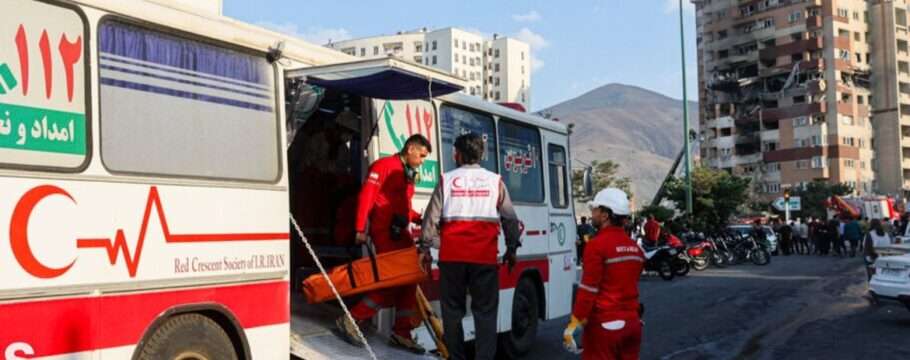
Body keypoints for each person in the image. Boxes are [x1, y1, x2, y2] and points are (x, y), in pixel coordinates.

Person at [420, 133, 521, 360]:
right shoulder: (495, 181)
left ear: (459, 154)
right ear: (481, 154)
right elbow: (510, 219)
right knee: (485, 314)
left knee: (452, 312)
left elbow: (431, 219)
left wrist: (424, 248)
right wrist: (512, 249)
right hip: (484, 259)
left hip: (452, 258)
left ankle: (456, 357)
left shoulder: (447, 180)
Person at [335, 134, 432, 353]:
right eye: (422, 156)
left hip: (400, 234)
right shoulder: (384, 166)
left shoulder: (404, 172)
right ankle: (351, 319)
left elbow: (401, 205)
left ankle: (402, 333)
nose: (422, 161)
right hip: (386, 233)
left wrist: (420, 218)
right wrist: (360, 228)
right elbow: (367, 197)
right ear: (411, 149)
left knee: (409, 282)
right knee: (390, 283)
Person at [564, 188, 645, 360]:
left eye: (595, 210)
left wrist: (573, 324)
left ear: (605, 215)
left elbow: (588, 291)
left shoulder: (596, 246)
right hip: (633, 324)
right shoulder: (635, 248)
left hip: (606, 326)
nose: (592, 214)